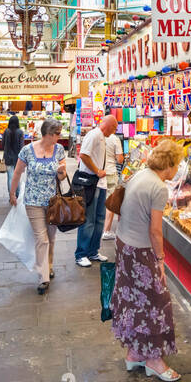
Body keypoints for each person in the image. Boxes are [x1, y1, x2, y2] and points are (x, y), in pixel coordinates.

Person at [110, 139, 185, 382]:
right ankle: (154, 360)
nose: (178, 170)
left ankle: (134, 353)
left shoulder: (141, 174)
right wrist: (160, 259)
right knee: (156, 303)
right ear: (170, 165)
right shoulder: (159, 188)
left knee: (133, 301)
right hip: (141, 250)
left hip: (124, 245)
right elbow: (155, 230)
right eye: (178, 165)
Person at [10, 117, 68, 295]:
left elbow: (62, 177)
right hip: (33, 201)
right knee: (41, 239)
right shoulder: (27, 150)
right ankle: (43, 277)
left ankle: (48, 266)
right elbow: (18, 172)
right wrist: (12, 193)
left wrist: (61, 173)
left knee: (51, 238)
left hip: (53, 202)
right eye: (57, 134)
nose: (60, 137)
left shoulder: (59, 150)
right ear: (49, 134)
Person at [75, 114, 118, 267]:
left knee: (99, 219)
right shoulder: (94, 135)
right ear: (107, 125)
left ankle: (93, 251)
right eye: (114, 128)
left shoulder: (101, 137)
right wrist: (97, 170)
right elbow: (83, 155)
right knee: (89, 219)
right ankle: (81, 253)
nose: (114, 131)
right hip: (91, 183)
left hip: (100, 183)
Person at [101, 128, 124, 241]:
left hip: (99, 172)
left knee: (101, 201)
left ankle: (99, 228)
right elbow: (119, 159)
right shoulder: (115, 139)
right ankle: (106, 230)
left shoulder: (98, 137)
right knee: (111, 202)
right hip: (110, 172)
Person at [0, 114, 24, 183]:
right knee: (17, 177)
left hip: (7, 157)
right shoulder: (20, 132)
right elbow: (22, 146)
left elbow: (2, 144)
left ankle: (11, 193)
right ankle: (17, 193)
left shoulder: (6, 131)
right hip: (18, 158)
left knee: (10, 177)